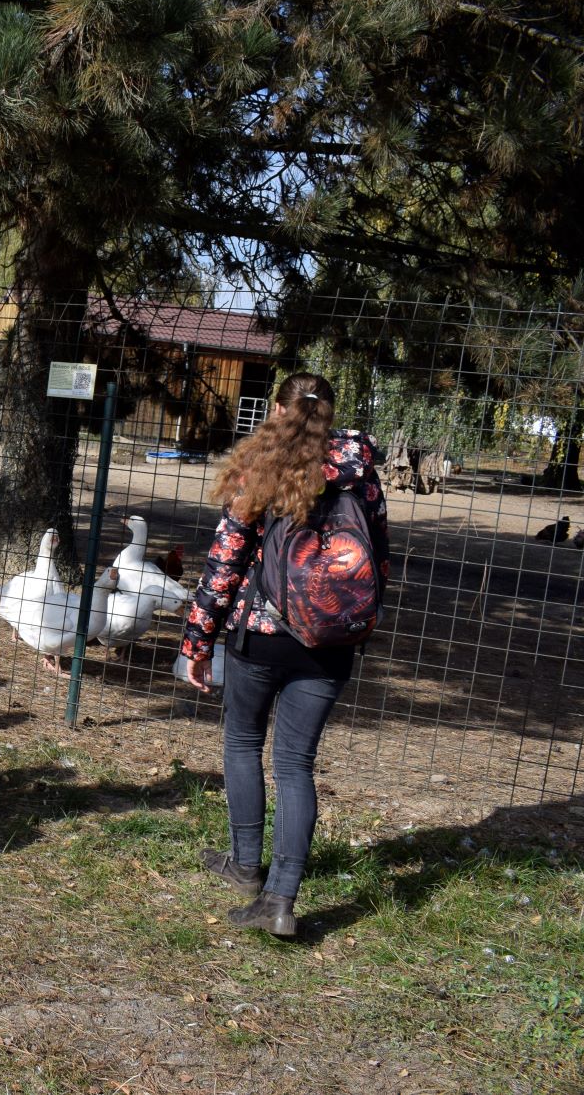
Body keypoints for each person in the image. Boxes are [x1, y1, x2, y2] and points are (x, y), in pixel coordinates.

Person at [178, 372, 390, 937]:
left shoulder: (260, 469)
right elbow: (377, 559)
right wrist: (353, 626)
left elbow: (224, 564)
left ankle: (246, 865)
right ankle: (279, 900)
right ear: (330, 413)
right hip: (330, 640)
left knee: (243, 741)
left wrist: (198, 642)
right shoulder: (362, 474)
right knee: (296, 765)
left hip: (261, 634)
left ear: (277, 409)